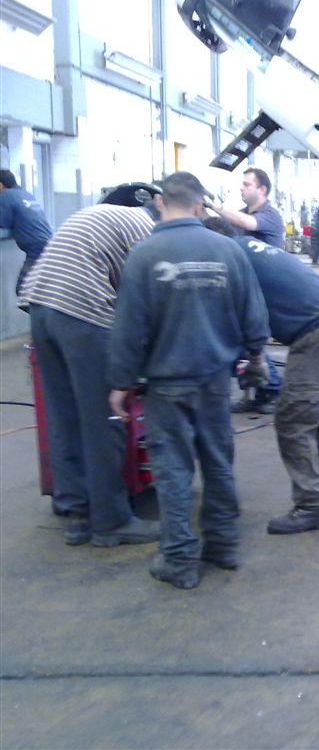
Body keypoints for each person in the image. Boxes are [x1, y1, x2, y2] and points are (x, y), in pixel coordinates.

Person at [108, 172, 270, 590]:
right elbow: (254, 315)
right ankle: (223, 545)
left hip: (166, 385)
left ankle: (179, 561)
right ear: (200, 205)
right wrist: (255, 355)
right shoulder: (227, 249)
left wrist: (121, 381)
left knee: (173, 471)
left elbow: (128, 328)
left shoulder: (144, 254)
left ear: (161, 202)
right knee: (218, 462)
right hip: (214, 381)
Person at [21, 201, 161, 547]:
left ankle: (76, 512)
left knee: (63, 415)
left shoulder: (102, 215)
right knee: (103, 417)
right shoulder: (146, 229)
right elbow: (140, 301)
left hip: (40, 308)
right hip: (81, 311)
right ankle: (111, 521)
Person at [204, 216, 319, 535]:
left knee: (293, 420)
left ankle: (312, 504)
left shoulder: (230, 258)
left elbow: (248, 316)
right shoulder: (250, 247)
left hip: (316, 333)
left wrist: (253, 358)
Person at [209, 167, 283, 413]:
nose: (241, 187)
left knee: (252, 341)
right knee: (240, 343)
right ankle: (252, 393)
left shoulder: (269, 216)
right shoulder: (239, 215)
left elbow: (245, 223)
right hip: (241, 289)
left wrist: (216, 207)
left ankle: (273, 389)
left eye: (247, 184)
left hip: (263, 290)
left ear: (262, 189)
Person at [0, 169, 52, 296]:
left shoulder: (5, 195)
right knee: (38, 290)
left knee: (23, 290)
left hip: (37, 249)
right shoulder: (26, 194)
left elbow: (3, 223)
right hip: (50, 244)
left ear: (0, 185)